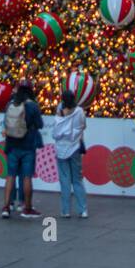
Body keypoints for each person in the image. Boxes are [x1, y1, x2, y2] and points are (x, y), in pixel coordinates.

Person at [1, 81, 43, 219]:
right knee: (26, 177)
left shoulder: (10, 104)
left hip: (12, 145)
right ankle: (27, 208)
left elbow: (5, 123)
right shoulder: (32, 105)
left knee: (10, 176)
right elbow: (40, 124)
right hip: (28, 146)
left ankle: (6, 207)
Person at [52, 88, 88, 219]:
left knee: (65, 180)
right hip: (75, 148)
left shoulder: (59, 112)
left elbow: (55, 134)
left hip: (61, 150)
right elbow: (83, 126)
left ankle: (66, 211)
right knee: (77, 179)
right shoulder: (79, 111)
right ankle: (83, 210)